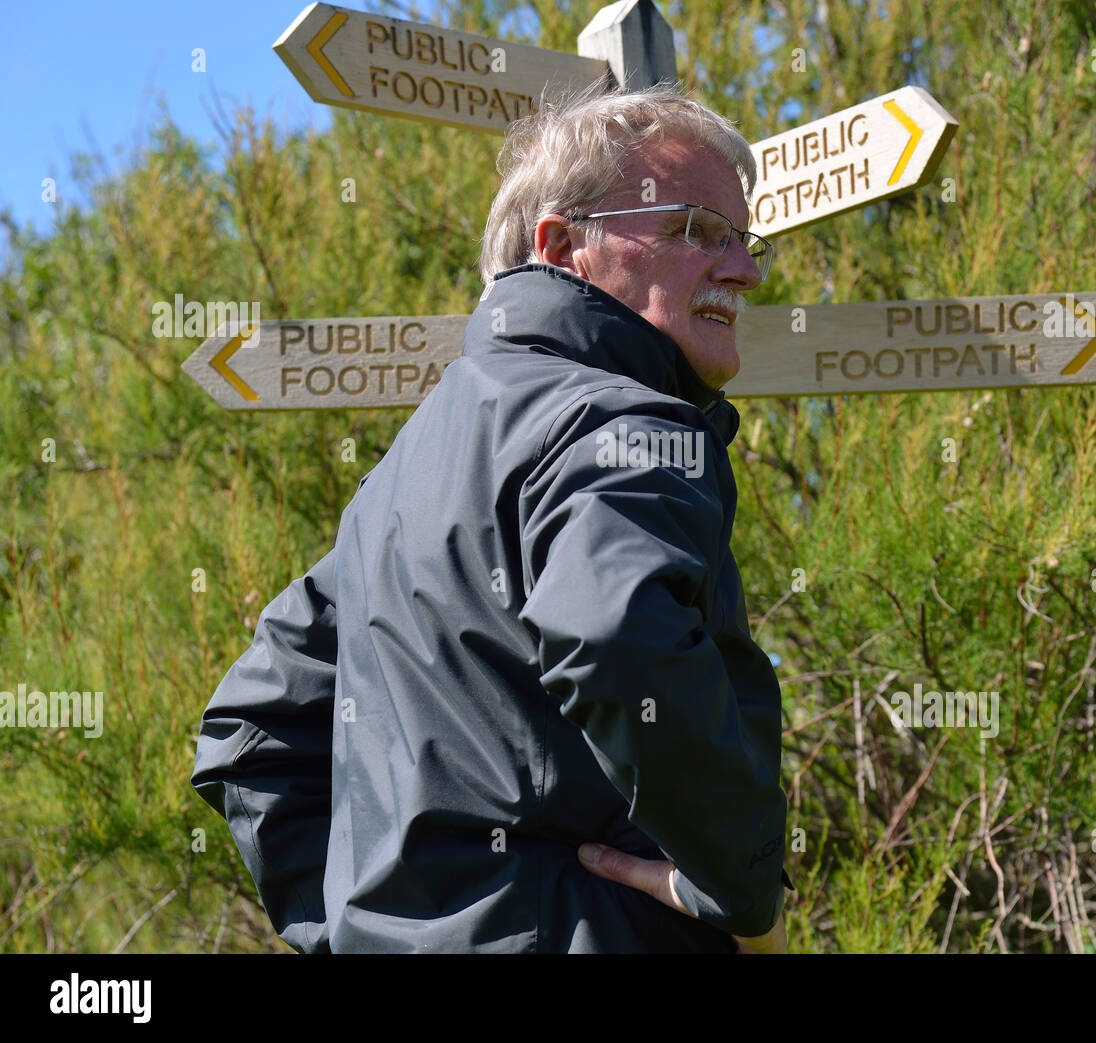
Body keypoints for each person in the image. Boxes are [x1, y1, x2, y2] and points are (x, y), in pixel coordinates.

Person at [191, 83, 792, 953]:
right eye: (696, 229)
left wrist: (365, 931)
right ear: (562, 246)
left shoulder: (398, 480)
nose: (743, 268)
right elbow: (616, 632)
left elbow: (251, 728)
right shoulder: (626, 423)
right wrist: (743, 883)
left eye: (747, 241)